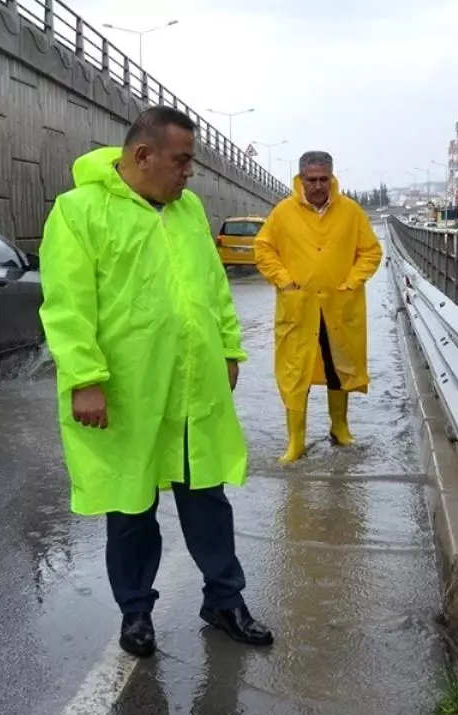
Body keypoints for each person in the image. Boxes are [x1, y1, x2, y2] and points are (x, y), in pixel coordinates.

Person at [37, 106, 273, 658]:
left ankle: (224, 598)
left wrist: (231, 349)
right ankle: (136, 611)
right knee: (131, 503)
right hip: (128, 391)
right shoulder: (79, 212)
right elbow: (67, 306)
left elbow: (214, 288)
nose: (189, 172)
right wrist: (86, 380)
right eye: (181, 160)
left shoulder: (188, 210)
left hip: (192, 385)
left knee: (206, 495)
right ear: (143, 156)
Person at [252, 151, 383, 463]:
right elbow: (263, 249)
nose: (318, 186)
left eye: (324, 179)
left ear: (332, 178)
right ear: (301, 179)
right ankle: (296, 440)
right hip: (300, 308)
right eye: (312, 180)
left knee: (339, 368)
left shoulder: (350, 211)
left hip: (339, 306)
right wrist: (284, 281)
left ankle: (340, 428)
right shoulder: (283, 213)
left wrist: (352, 281)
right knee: (296, 372)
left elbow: (371, 251)